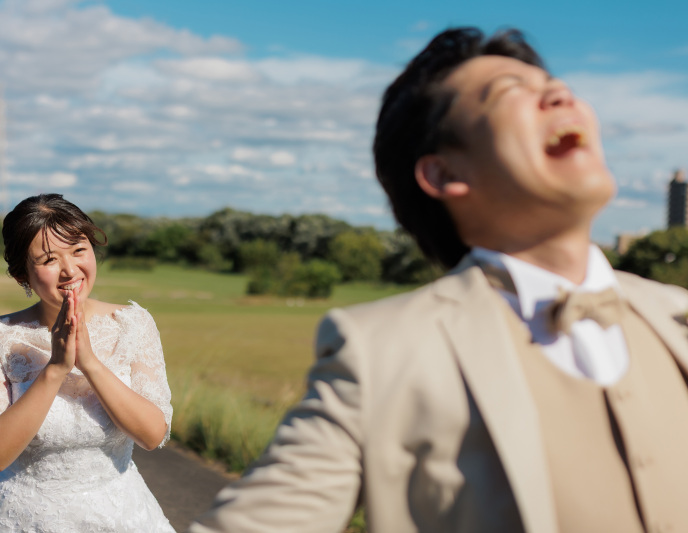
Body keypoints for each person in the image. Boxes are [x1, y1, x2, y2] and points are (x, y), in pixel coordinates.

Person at [188, 27, 688, 533]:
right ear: (445, 174)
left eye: (555, 84)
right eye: (512, 91)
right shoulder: (378, 354)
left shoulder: (677, 314)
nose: (562, 96)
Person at [0, 194, 176, 532]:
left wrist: (90, 363)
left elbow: (152, 435)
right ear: (22, 274)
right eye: (49, 259)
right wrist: (56, 368)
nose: (70, 270)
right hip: (25, 518)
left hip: (121, 515)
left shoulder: (134, 324)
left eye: (79, 251)